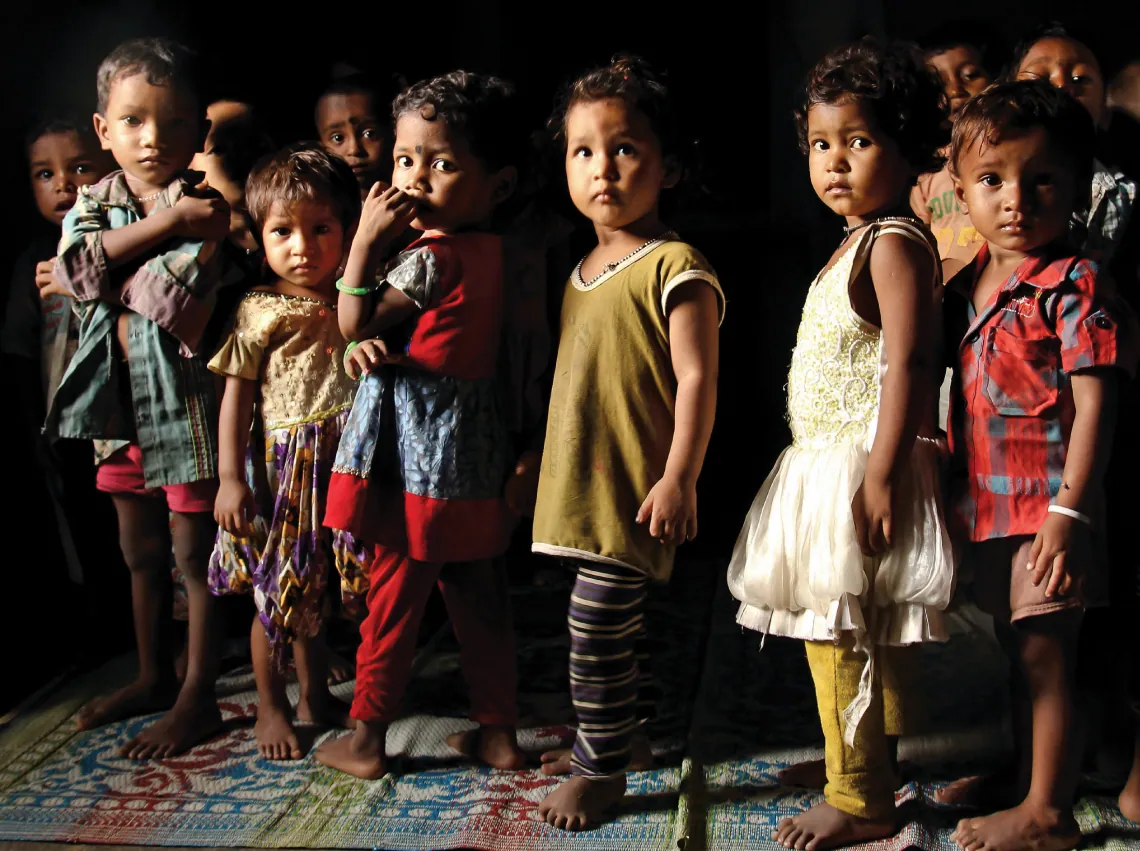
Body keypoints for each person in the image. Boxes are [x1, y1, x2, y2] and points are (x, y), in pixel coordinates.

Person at [727, 39, 954, 850]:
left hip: (862, 461)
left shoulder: (893, 241)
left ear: (907, 147)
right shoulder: (857, 238)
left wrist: (884, 474)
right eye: (822, 144)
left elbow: (908, 359)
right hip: (829, 460)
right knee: (850, 627)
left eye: (858, 142)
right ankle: (855, 761)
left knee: (842, 633)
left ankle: (860, 794)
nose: (834, 161)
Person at [316, 70, 530, 780]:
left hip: (420, 459)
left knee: (392, 598)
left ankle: (367, 737)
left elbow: (351, 319)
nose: (413, 179)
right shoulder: (495, 252)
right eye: (405, 160)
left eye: (440, 163)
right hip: (474, 451)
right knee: (479, 594)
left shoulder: (432, 258)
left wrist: (364, 243)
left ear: (496, 186)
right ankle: (497, 733)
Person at [943, 80, 1136, 851]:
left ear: (1081, 187)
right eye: (993, 181)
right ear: (962, 192)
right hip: (989, 507)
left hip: (1050, 512)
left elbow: (1097, 406)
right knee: (1017, 652)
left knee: (1047, 656)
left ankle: (1048, 812)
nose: (1016, 199)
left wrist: (1071, 510)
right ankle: (1028, 775)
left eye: (1041, 178)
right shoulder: (970, 285)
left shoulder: (1075, 284)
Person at [531, 55, 723, 830]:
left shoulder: (676, 267)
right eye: (583, 150)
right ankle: (620, 736)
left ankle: (601, 767)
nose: (601, 168)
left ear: (667, 166)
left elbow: (698, 380)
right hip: (579, 480)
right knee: (603, 624)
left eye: (624, 148)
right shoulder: (578, 267)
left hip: (634, 485)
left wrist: (681, 475)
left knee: (596, 624)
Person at [44, 37, 230, 759]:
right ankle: (154, 672)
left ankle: (199, 692)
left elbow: (160, 298)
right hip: (116, 415)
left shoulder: (205, 207)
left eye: (175, 122)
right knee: (139, 551)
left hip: (183, 412)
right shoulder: (99, 200)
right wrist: (160, 228)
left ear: (201, 133)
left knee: (195, 554)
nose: (153, 139)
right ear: (103, 130)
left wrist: (90, 271)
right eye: (133, 121)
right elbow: (73, 270)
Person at [208, 143, 367, 760]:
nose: (302, 247)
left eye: (319, 229)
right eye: (283, 232)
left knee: (327, 585)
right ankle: (270, 706)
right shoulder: (258, 310)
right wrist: (230, 478)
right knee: (283, 589)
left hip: (347, 458)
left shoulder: (354, 298)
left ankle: (313, 695)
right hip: (289, 471)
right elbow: (236, 401)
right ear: (258, 235)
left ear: (346, 231)